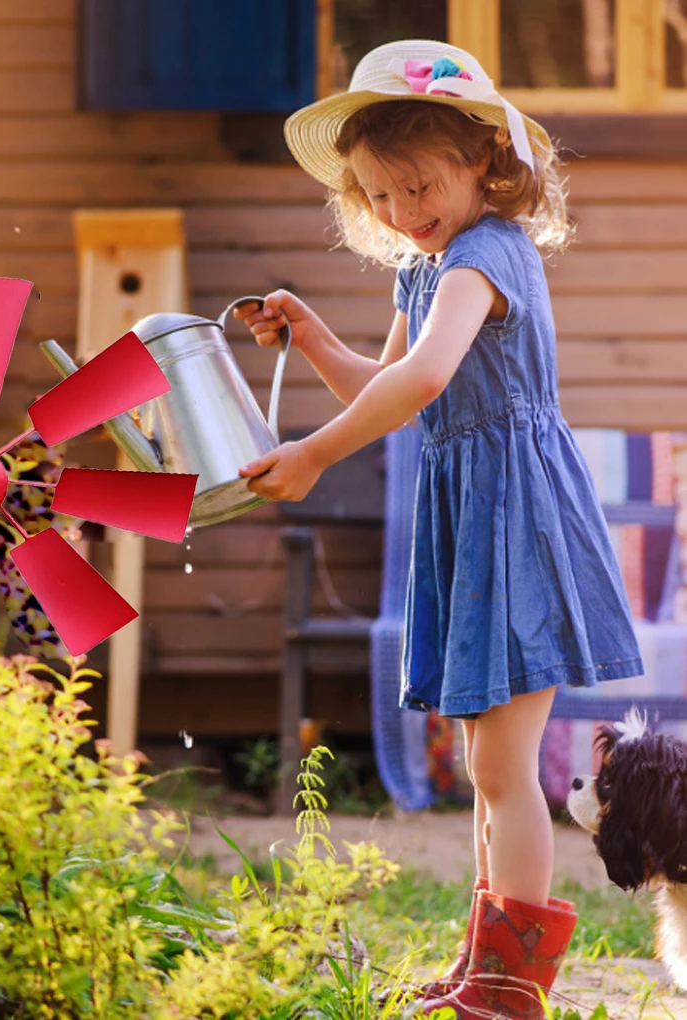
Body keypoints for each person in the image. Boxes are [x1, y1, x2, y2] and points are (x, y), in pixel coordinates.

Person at [235, 39, 643, 1020]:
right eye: (378, 195)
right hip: (471, 518)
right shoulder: (424, 271)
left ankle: (512, 988)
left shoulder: (489, 251)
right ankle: (481, 967)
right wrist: (312, 335)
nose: (401, 211)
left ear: (486, 164)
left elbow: (424, 377)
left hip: (519, 519)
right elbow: (393, 386)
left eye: (419, 184)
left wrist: (314, 454)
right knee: (482, 766)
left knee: (506, 772)